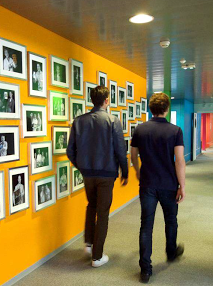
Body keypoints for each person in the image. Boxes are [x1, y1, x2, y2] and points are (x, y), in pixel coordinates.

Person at [67, 86, 128, 268]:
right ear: (106, 100)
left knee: (91, 205)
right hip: (106, 174)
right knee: (102, 213)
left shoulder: (78, 121)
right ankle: (97, 257)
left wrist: (83, 167)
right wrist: (124, 172)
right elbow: (120, 149)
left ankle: (89, 245)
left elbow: (70, 151)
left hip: (88, 174)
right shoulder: (112, 120)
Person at [131, 93, 185, 284]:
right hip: (169, 184)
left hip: (147, 184)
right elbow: (179, 161)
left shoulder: (140, 129)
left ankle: (145, 270)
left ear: (151, 109)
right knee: (171, 220)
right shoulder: (175, 131)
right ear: (167, 108)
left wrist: (138, 172)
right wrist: (182, 186)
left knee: (146, 225)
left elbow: (133, 155)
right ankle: (171, 252)